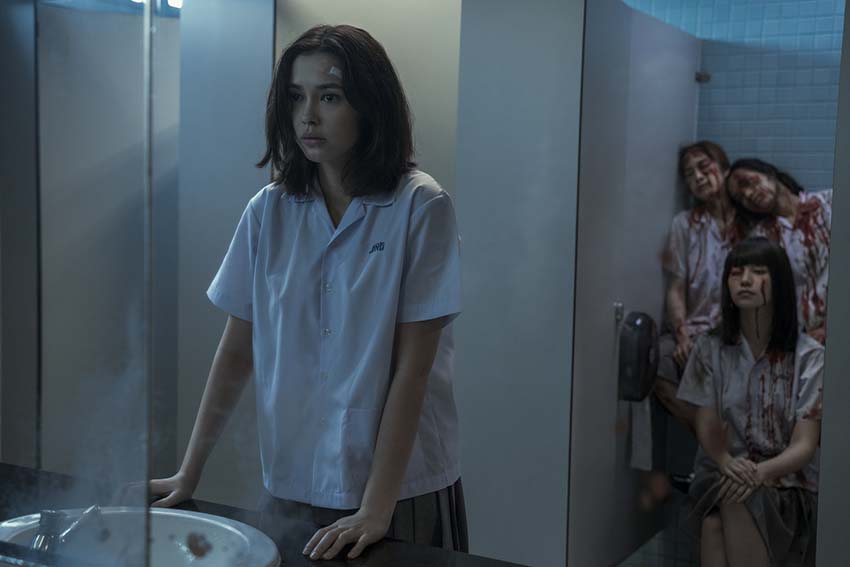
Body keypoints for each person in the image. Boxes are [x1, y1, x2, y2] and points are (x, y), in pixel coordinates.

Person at [149, 25, 467, 560]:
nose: (308, 116)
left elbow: (411, 371)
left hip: (399, 488)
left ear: (370, 105)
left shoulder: (421, 207)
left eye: (330, 97)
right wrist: (189, 471)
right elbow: (236, 350)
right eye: (296, 97)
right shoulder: (268, 210)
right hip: (292, 483)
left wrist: (376, 508)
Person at [678, 237, 823, 567]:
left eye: (758, 272)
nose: (744, 280)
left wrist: (758, 473)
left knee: (726, 509)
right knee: (723, 506)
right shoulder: (709, 348)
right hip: (723, 472)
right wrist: (726, 462)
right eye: (736, 273)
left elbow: (805, 444)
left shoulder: (809, 357)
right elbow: (706, 423)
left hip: (787, 484)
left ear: (780, 284)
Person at [655, 141, 740, 432]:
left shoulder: (749, 222)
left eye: (704, 167)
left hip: (736, 333)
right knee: (652, 359)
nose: (698, 178)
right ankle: (714, 439)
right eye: (689, 174)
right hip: (695, 330)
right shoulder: (684, 225)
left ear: (725, 169)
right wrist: (681, 335)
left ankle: (722, 442)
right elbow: (676, 288)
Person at [727, 159, 831, 344]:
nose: (748, 194)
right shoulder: (761, 239)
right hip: (804, 337)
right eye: (740, 198)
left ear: (768, 172)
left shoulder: (829, 203)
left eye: (747, 182)